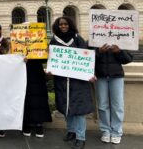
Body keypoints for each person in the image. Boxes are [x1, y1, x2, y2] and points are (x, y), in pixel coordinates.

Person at [49, 16, 94, 149]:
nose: (63, 26)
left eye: (65, 24)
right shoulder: (54, 40)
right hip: (62, 80)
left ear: (70, 25)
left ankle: (81, 137)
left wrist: (90, 73)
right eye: (61, 24)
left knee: (78, 109)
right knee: (66, 107)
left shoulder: (77, 38)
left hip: (77, 80)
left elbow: (86, 57)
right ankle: (71, 131)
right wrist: (51, 69)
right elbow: (52, 57)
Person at [95, 44, 133, 144]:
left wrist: (118, 52)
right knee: (102, 105)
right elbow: (87, 57)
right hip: (101, 76)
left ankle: (116, 132)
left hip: (116, 77)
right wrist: (99, 51)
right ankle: (105, 131)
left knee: (118, 105)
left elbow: (128, 59)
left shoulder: (120, 40)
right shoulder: (94, 39)